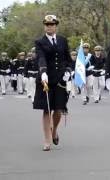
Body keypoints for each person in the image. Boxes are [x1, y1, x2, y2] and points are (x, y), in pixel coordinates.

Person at [33, 15, 72, 151]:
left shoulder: (62, 40)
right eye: (47, 24)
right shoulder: (40, 42)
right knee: (46, 110)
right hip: (46, 80)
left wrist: (68, 70)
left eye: (52, 24)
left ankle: (54, 129)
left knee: (59, 109)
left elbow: (67, 59)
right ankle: (47, 139)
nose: (49, 26)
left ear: (56, 26)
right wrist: (43, 72)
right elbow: (41, 58)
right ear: (44, 26)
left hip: (60, 80)